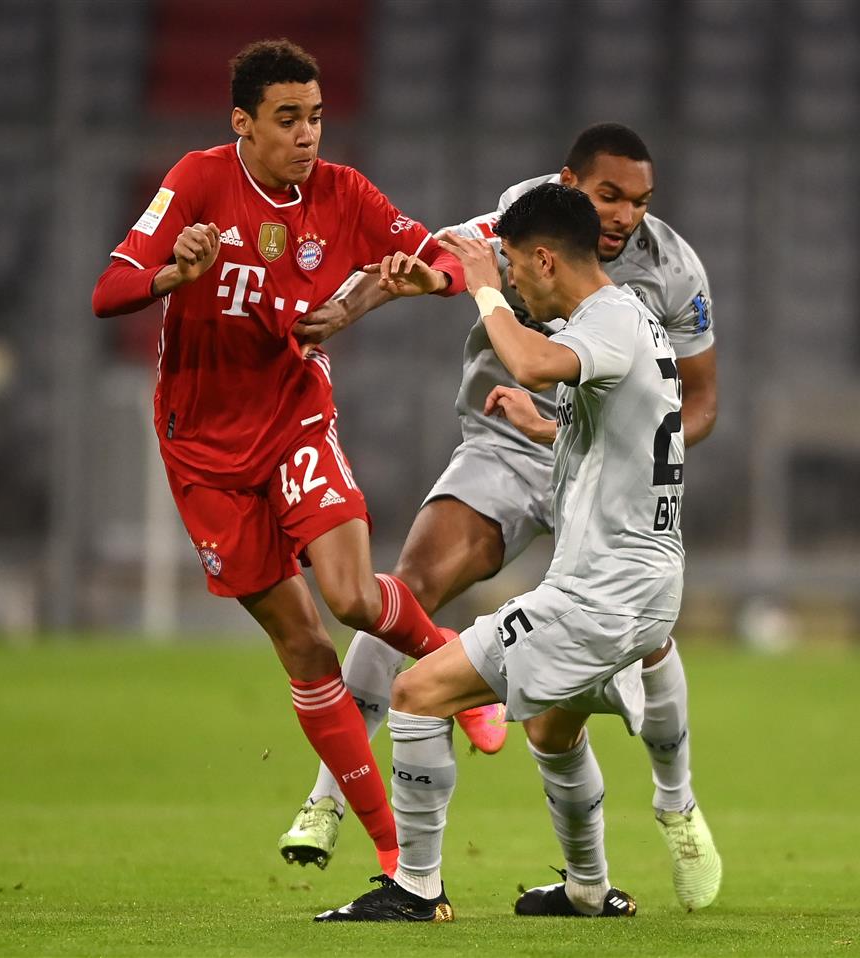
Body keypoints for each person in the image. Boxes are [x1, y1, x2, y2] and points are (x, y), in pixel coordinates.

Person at [89, 37, 500, 877]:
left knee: (351, 595)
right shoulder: (199, 181)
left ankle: (453, 666)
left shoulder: (341, 193)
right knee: (305, 648)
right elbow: (109, 292)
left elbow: (440, 256)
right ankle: (389, 851)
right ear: (242, 123)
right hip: (202, 451)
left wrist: (429, 283)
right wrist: (173, 274)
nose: (308, 134)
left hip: (293, 418)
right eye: (288, 119)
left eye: (315, 116)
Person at [285, 123, 722, 910]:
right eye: (610, 196)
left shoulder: (618, 316)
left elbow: (530, 356)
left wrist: (488, 286)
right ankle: (589, 890)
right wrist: (541, 425)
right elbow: (603, 416)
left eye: (521, 269)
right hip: (644, 573)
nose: (516, 282)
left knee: (422, 693)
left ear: (546, 259)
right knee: (553, 731)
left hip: (598, 590)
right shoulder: (630, 318)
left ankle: (416, 887)